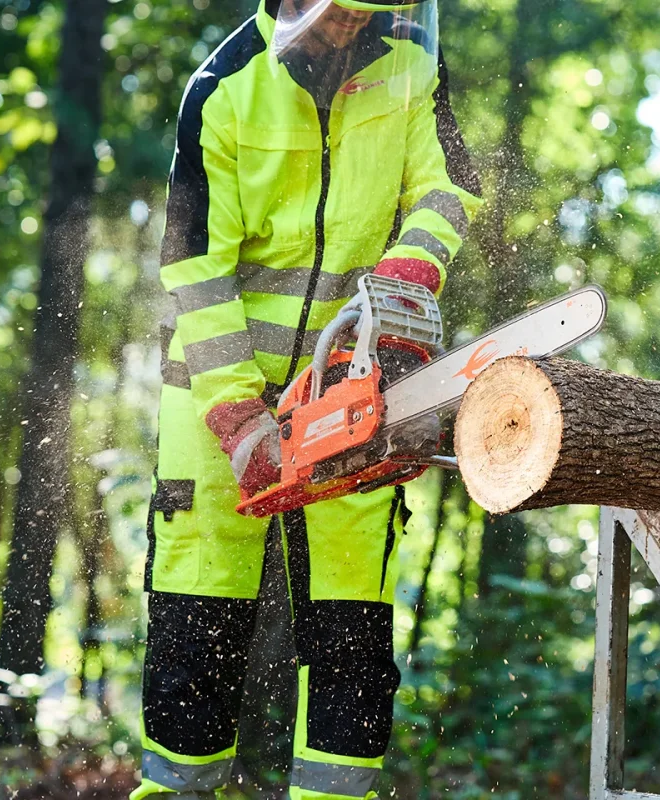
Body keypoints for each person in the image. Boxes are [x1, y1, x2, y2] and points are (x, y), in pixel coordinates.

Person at [134, 0, 481, 797]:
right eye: (338, 13)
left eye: (368, 13)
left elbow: (452, 187)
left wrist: (408, 268)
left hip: (347, 386)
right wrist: (236, 413)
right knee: (197, 625)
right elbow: (194, 265)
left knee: (353, 630)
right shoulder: (222, 88)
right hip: (213, 389)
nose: (350, 28)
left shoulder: (412, 67)